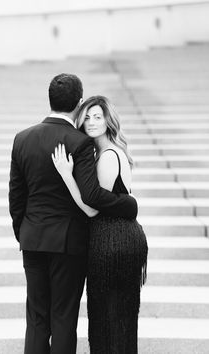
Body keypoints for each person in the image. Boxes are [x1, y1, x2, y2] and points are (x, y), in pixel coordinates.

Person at [9, 74, 138, 354]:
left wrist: (24, 232)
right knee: (64, 318)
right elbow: (92, 196)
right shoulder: (80, 142)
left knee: (37, 319)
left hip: (33, 239)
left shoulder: (22, 139)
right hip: (69, 243)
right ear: (79, 104)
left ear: (50, 100)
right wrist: (128, 204)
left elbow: (16, 198)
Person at [52, 95, 148, 354]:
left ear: (108, 120)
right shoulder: (114, 152)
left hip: (112, 241)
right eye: (87, 117)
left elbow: (92, 207)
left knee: (107, 318)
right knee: (121, 317)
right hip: (122, 238)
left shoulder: (107, 156)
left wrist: (66, 175)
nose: (92, 122)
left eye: (98, 116)